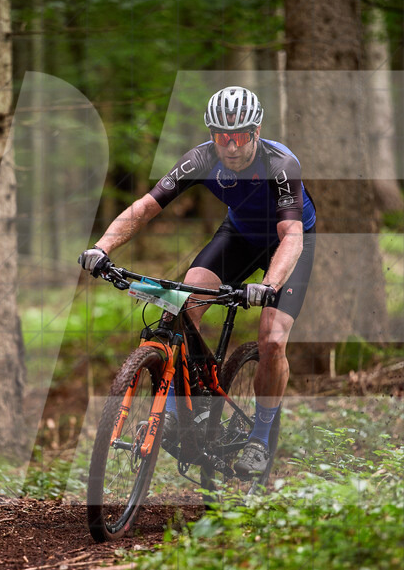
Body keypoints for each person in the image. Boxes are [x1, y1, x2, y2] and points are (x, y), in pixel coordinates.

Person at [78, 86, 316, 479]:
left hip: (291, 243)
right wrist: (102, 247)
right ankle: (174, 410)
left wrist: (268, 283)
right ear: (212, 135)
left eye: (240, 136)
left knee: (272, 340)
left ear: (256, 132)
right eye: (223, 136)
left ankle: (259, 437)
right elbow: (145, 208)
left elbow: (291, 235)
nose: (232, 146)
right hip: (238, 237)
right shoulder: (201, 160)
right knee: (183, 306)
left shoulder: (281, 164)